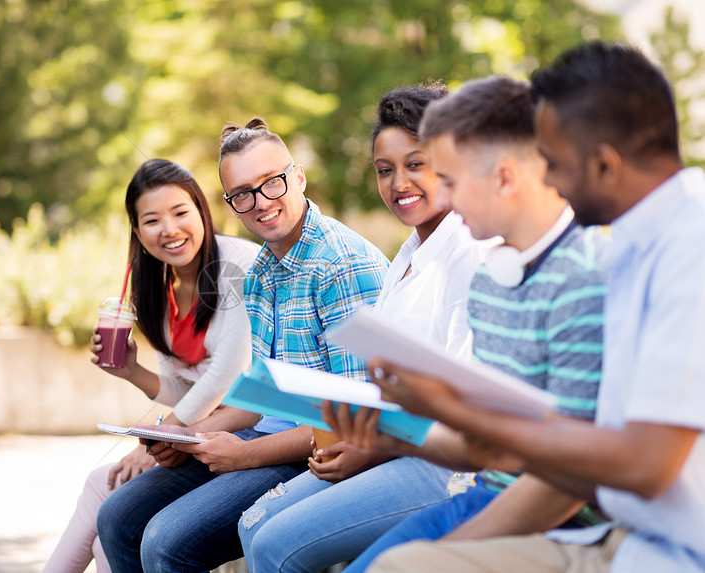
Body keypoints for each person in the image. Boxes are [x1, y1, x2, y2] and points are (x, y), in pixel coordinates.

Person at [353, 42, 705, 573]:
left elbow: (640, 467)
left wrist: (448, 411)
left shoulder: (679, 251)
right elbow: (527, 452)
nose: (547, 179)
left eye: (554, 163)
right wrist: (402, 424)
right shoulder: (637, 244)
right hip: (627, 534)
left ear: (604, 164)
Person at [321, 75, 610, 572]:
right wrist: (390, 433)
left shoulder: (588, 277)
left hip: (577, 524)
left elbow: (564, 480)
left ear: (502, 175)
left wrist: (440, 554)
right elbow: (493, 448)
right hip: (491, 492)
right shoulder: (493, 281)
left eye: (448, 178)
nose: (443, 199)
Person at [96, 118, 389, 573]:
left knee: (164, 541)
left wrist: (246, 454)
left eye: (272, 183)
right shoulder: (260, 272)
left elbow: (354, 422)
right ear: (231, 204)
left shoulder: (341, 266)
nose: (261, 203)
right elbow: (260, 400)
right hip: (265, 435)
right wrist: (183, 435)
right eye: (243, 194)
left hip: (317, 451)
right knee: (117, 517)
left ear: (299, 177)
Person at [237, 84, 494, 573]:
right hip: (385, 444)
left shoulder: (468, 252)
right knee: (254, 525)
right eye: (384, 169)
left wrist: (371, 449)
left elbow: (465, 411)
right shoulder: (408, 256)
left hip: (442, 463)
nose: (399, 183)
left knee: (276, 546)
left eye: (415, 164)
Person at [42, 158, 260, 573]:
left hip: (247, 427)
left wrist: (167, 434)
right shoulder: (160, 290)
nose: (170, 229)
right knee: (105, 489)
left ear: (201, 211)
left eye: (180, 212)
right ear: (139, 234)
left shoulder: (238, 265)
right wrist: (133, 372)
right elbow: (186, 385)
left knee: (117, 505)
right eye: (152, 220)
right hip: (204, 427)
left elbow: (228, 372)